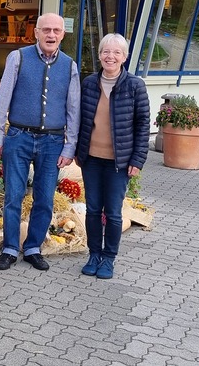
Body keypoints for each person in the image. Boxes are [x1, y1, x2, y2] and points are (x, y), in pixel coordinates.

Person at [0, 13, 80, 272]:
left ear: (63, 35)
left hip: (52, 141)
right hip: (18, 137)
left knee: (44, 198)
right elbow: (3, 98)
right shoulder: (18, 57)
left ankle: (32, 248)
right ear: (36, 32)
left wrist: (69, 146)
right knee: (13, 196)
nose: (51, 35)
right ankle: (9, 248)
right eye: (46, 30)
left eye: (56, 31)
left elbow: (74, 109)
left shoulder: (70, 66)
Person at [75, 33, 150, 280]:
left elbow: (143, 125)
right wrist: (76, 150)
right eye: (106, 51)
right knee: (93, 209)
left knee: (114, 212)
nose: (111, 56)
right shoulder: (89, 83)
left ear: (124, 57)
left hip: (119, 162)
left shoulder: (135, 86)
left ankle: (108, 258)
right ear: (99, 55)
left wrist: (137, 159)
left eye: (117, 52)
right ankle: (94, 255)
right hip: (91, 159)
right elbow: (78, 119)